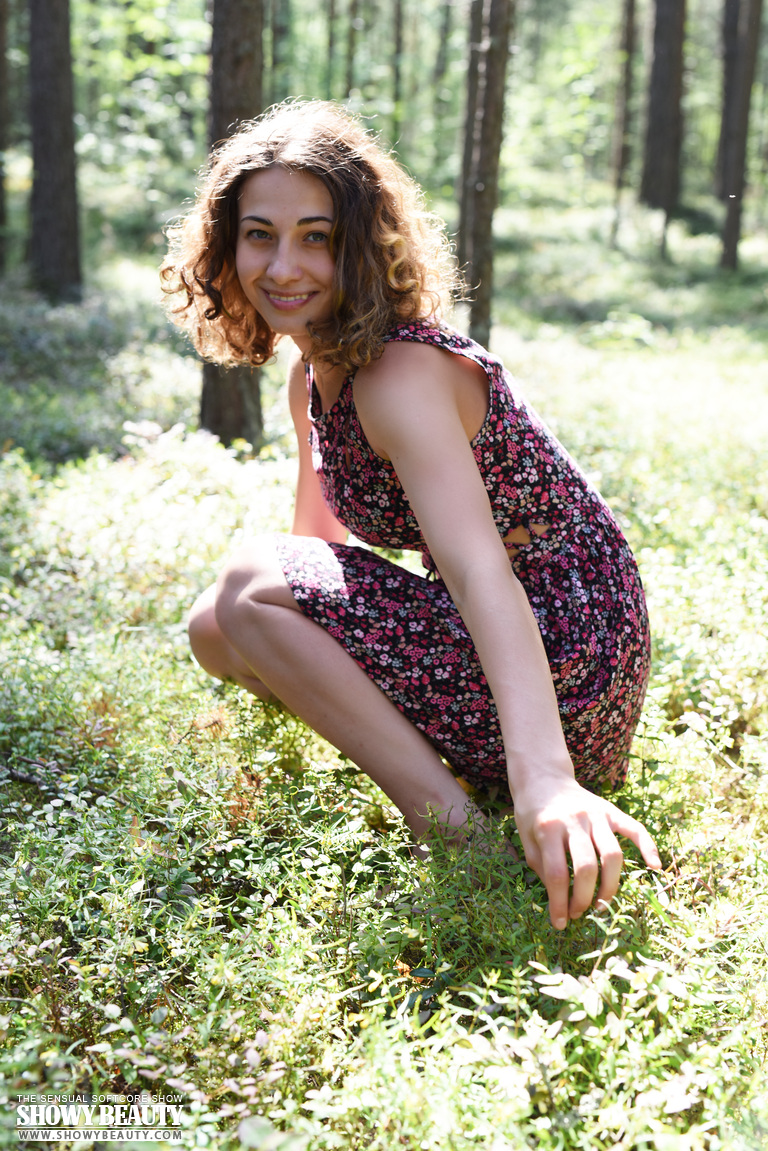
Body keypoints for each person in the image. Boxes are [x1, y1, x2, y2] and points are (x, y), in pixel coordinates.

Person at [161, 99, 661, 931]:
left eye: (316, 236)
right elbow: (313, 552)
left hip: (570, 653)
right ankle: (460, 774)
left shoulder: (399, 374)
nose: (283, 265)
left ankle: (458, 832)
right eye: (259, 235)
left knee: (247, 582)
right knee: (217, 626)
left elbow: (478, 568)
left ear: (363, 242)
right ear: (224, 245)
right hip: (503, 648)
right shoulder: (311, 376)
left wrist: (545, 774)